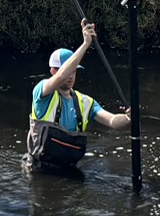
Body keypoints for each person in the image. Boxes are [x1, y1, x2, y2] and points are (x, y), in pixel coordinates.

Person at [27, 22, 130, 172]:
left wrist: (129, 118)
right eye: (68, 71)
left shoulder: (85, 102)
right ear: (53, 72)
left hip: (69, 169)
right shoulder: (42, 92)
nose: (70, 76)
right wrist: (86, 44)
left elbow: (113, 121)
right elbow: (62, 76)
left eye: (74, 72)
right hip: (41, 170)